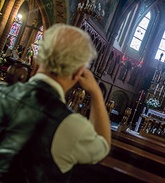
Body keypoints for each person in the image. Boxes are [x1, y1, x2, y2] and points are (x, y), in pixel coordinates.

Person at [0, 23, 111, 182]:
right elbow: (103, 147)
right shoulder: (72, 126)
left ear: (39, 57)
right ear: (79, 72)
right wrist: (96, 93)